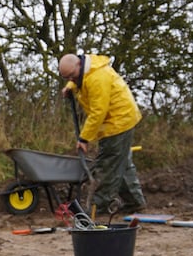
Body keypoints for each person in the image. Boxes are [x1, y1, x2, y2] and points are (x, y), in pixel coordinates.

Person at [58, 52, 145, 217]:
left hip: (118, 121)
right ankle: (135, 202)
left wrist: (84, 138)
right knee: (121, 163)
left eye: (71, 76)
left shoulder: (98, 78)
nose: (71, 79)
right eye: (67, 78)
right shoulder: (85, 71)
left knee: (108, 165)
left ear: (78, 65)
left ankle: (99, 207)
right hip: (117, 120)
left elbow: (98, 112)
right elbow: (79, 81)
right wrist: (70, 87)